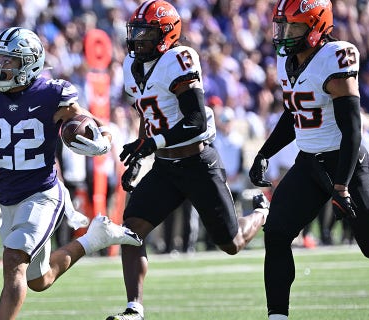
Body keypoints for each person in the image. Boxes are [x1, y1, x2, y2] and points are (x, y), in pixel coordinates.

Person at [0, 27, 142, 319]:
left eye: (8, 61)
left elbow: (86, 120)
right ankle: (95, 238)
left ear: (29, 63)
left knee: (14, 261)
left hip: (42, 194)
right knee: (39, 280)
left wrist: (101, 137)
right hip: (8, 197)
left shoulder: (52, 93)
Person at [106, 2, 267, 319]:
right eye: (135, 32)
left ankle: (262, 211)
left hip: (197, 162)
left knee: (231, 243)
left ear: (167, 35)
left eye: (146, 33)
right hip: (166, 165)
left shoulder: (179, 59)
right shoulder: (132, 64)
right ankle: (134, 308)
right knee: (131, 228)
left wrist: (151, 143)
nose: (138, 40)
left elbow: (194, 120)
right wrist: (141, 152)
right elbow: (148, 111)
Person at [248, 1, 369, 319]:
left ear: (316, 26)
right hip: (309, 161)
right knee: (277, 232)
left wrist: (342, 185)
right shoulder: (286, 59)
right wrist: (265, 152)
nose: (283, 34)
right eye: (282, 25)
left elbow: (352, 131)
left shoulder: (335, 57)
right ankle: (277, 315)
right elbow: (295, 112)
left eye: (292, 26)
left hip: (345, 160)